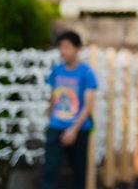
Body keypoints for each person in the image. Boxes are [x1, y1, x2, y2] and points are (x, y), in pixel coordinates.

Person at [41, 31, 97, 189]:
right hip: (56, 126)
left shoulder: (86, 73)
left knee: (79, 171)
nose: (63, 51)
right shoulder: (57, 70)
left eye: (67, 47)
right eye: (61, 47)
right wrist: (50, 119)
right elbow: (53, 97)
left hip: (79, 128)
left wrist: (73, 130)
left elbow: (88, 105)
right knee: (49, 170)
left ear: (77, 48)